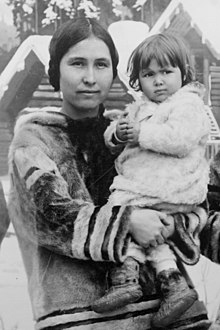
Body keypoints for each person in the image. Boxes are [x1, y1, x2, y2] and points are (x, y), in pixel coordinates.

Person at [6, 18, 215, 330]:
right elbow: (49, 216)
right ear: (55, 70)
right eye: (78, 63)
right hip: (81, 317)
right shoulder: (35, 139)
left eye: (101, 65)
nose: (90, 77)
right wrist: (129, 220)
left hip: (168, 316)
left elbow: (197, 198)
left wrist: (176, 222)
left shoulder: (130, 132)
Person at [92, 33, 211, 328]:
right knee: (147, 228)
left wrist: (141, 135)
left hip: (173, 184)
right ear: (138, 80)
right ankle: (172, 284)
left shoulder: (188, 104)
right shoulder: (140, 107)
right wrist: (118, 133)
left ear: (183, 73)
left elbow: (180, 139)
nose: (158, 81)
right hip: (154, 189)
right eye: (148, 74)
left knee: (119, 208)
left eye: (167, 72)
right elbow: (116, 138)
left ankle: (125, 272)